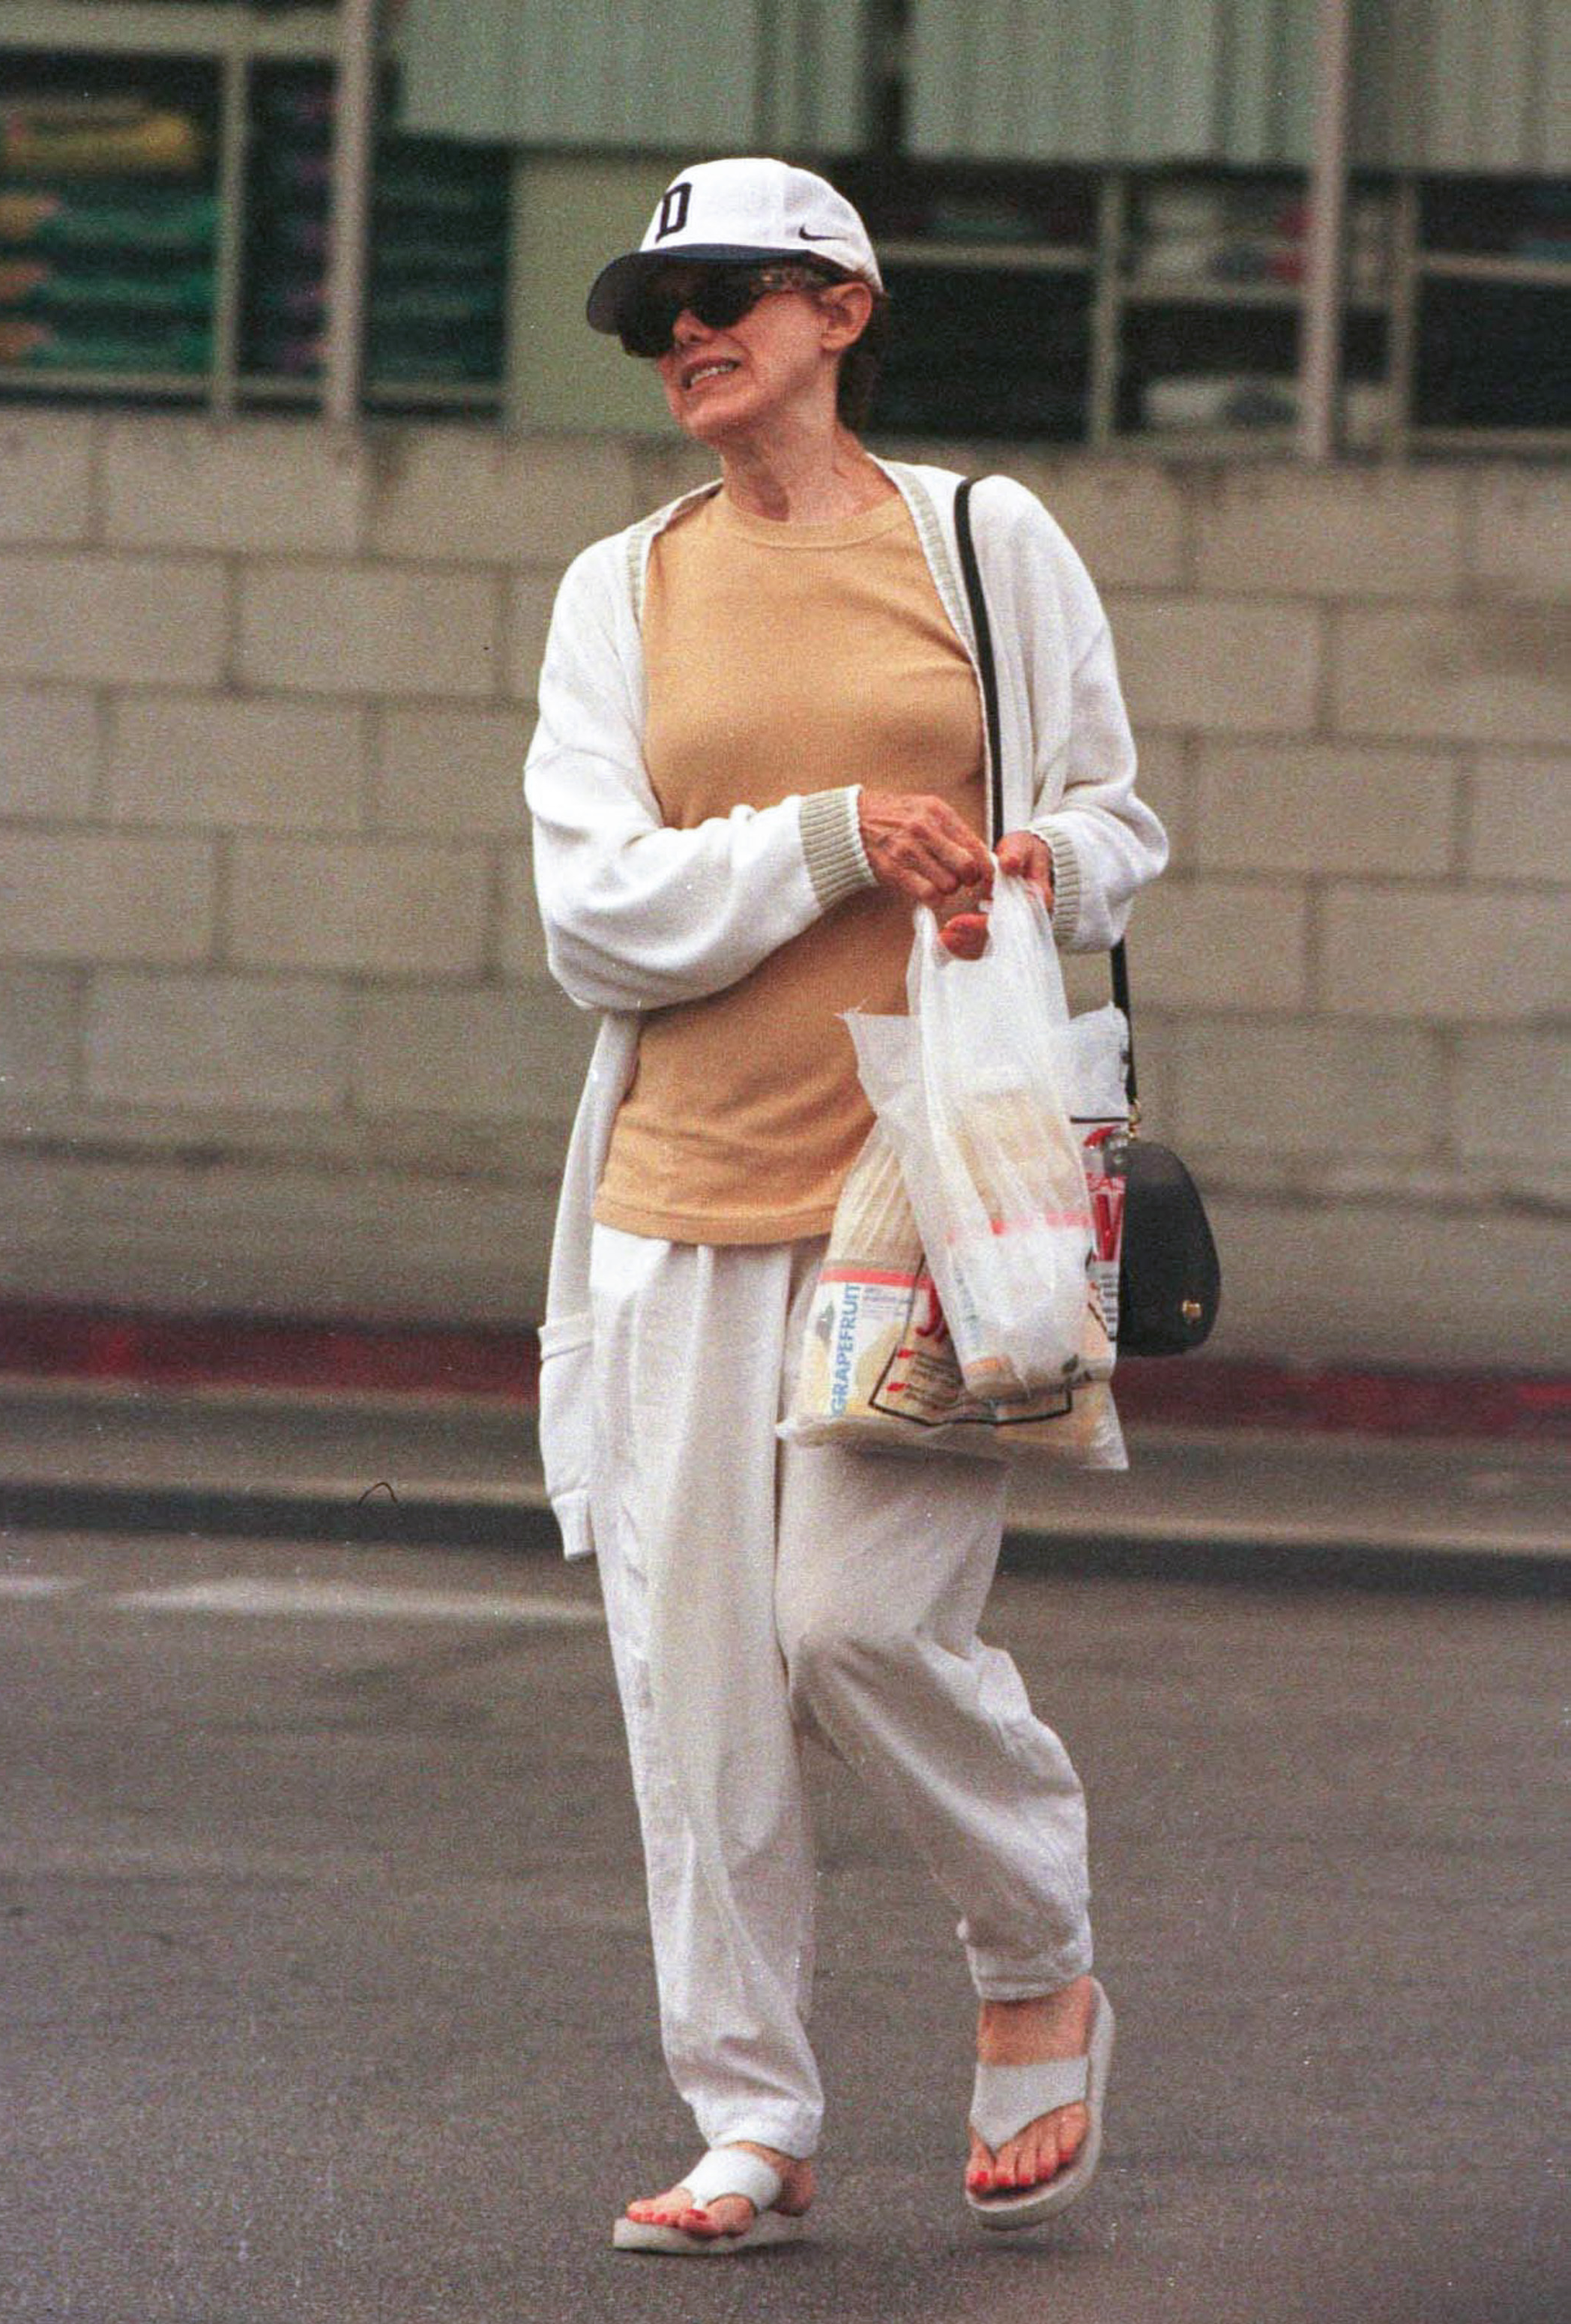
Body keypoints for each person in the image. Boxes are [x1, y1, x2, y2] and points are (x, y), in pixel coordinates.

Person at [524, 156, 1167, 2254]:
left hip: (934, 1195)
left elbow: (1113, 814)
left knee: (855, 1620)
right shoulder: (618, 589)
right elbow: (590, 917)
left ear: (839, 308)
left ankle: (1029, 1952)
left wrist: (1029, 870)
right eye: (650, 313)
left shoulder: (984, 537)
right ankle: (748, 2117)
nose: (681, 335)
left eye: (722, 293)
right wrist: (818, 837)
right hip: (678, 1194)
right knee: (692, 1685)